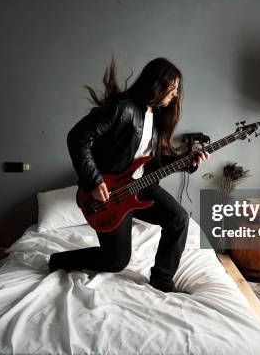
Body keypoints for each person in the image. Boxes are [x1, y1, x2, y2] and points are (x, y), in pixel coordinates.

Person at [48, 57, 210, 293]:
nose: (174, 95)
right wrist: (93, 180)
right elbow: (78, 137)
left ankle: (162, 281)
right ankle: (60, 261)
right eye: (171, 89)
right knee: (116, 261)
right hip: (112, 192)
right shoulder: (121, 108)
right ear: (157, 83)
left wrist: (188, 162)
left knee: (178, 219)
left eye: (176, 91)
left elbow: (152, 161)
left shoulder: (155, 117)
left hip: (143, 185)